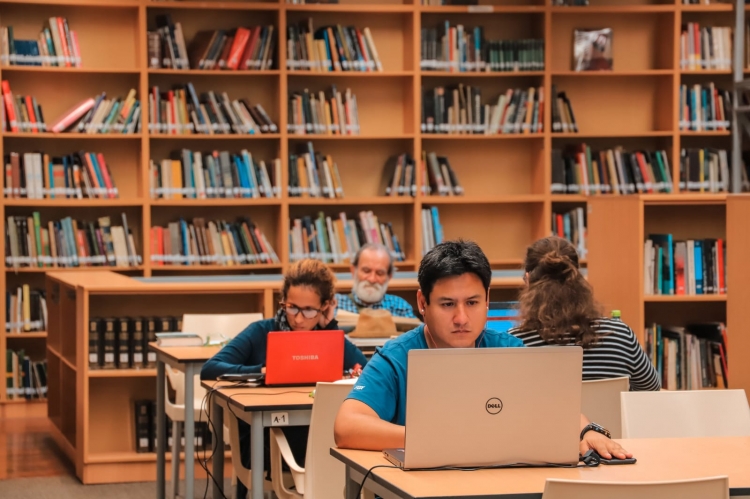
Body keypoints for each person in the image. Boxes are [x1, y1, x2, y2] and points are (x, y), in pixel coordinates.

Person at [334, 239, 630, 462]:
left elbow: (555, 407)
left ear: (487, 299)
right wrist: (439, 438)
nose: (461, 318)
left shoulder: (509, 350)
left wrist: (586, 430)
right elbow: (346, 426)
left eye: (473, 303)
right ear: (423, 303)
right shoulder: (396, 356)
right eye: (447, 304)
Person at [201, 259, 368, 497]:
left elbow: (366, 371)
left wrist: (330, 328)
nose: (299, 318)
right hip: (266, 445)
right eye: (292, 308)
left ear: (325, 307)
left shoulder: (328, 336)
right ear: (283, 303)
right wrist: (260, 372)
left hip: (320, 445)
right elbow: (211, 368)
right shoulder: (260, 331)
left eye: (309, 310)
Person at [508, 236, 660, 391]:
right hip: (609, 416)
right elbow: (651, 390)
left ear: (527, 280)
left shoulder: (514, 342)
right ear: (577, 278)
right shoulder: (619, 334)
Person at [335, 243, 416, 318]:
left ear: (389, 276)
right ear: (353, 271)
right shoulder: (335, 304)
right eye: (366, 271)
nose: (372, 279)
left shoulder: (401, 307)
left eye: (380, 273)